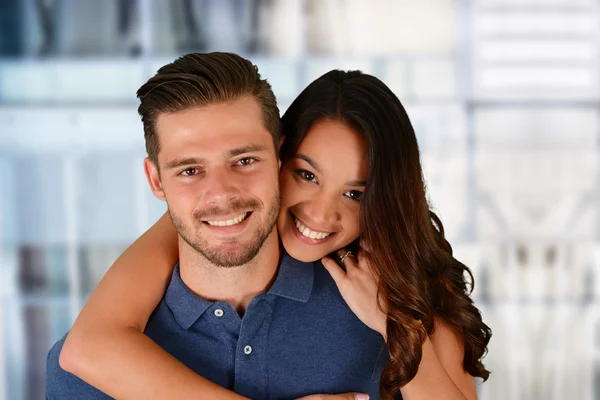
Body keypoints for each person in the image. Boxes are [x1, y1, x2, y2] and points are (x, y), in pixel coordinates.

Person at [50, 52, 491, 399]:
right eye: (189, 171)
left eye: (244, 160)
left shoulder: (394, 310)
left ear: (275, 156)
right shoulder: (94, 365)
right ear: (156, 181)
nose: (220, 193)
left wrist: (398, 324)